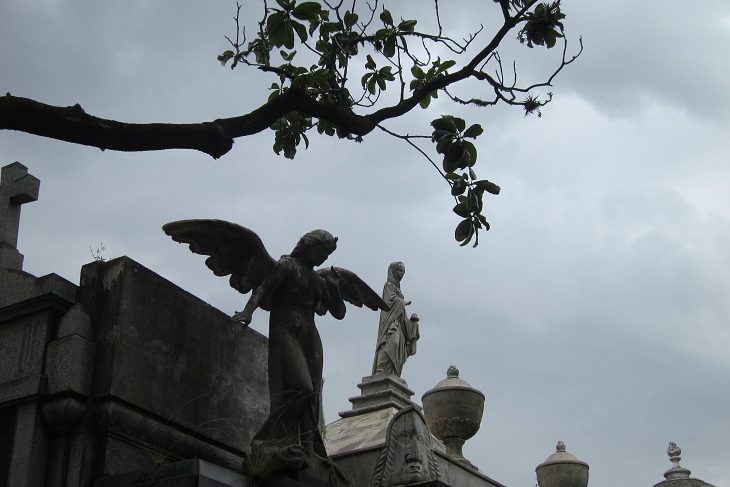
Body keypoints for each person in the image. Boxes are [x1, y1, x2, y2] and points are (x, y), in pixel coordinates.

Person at [232, 230, 346, 474]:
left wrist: (334, 287)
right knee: (302, 388)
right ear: (310, 245)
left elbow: (339, 313)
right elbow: (263, 289)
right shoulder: (287, 266)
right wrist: (248, 311)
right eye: (323, 252)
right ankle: (268, 439)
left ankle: (309, 452)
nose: (324, 258)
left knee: (312, 398)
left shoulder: (317, 280)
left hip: (310, 339)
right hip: (286, 330)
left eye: (328, 255)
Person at [372, 261, 420, 377]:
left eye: (403, 271)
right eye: (400, 270)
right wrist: (403, 302)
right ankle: (381, 370)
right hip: (390, 322)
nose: (402, 273)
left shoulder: (399, 290)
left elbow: (402, 313)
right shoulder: (388, 286)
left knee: (398, 345)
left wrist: (412, 325)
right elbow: (389, 301)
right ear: (393, 271)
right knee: (392, 342)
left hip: (399, 322)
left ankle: (393, 372)